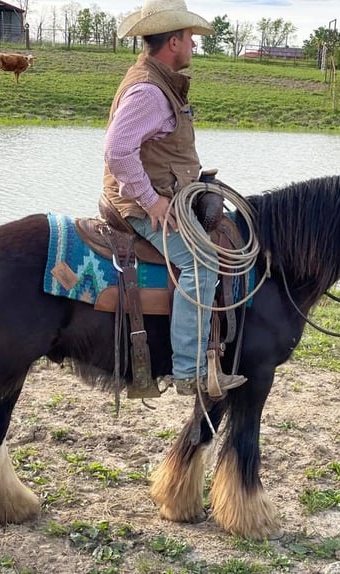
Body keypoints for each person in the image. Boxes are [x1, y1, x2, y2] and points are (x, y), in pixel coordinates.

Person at [100, 0, 247, 397]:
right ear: (174, 42)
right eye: (190, 39)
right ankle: (189, 370)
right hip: (138, 205)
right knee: (202, 264)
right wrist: (152, 202)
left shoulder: (157, 80)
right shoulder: (150, 91)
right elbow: (117, 151)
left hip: (162, 194)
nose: (194, 46)